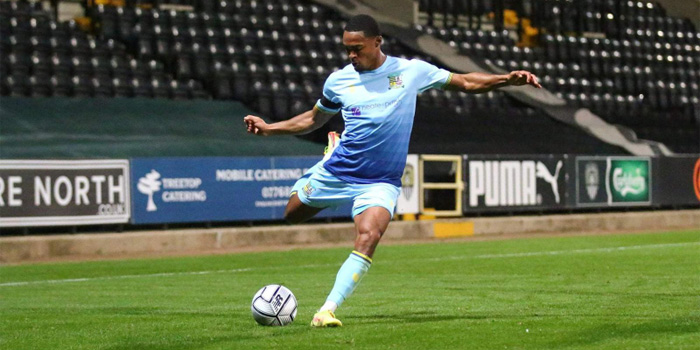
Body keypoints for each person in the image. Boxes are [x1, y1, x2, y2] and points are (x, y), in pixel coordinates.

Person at [244, 14, 542, 327]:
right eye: (347, 49)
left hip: (380, 181)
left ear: (377, 42)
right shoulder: (339, 80)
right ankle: (329, 155)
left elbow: (465, 81)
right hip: (338, 171)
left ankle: (326, 310)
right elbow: (313, 119)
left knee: (370, 235)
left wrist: (506, 79)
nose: (352, 55)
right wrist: (269, 129)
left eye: (357, 48)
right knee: (292, 214)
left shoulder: (410, 71)